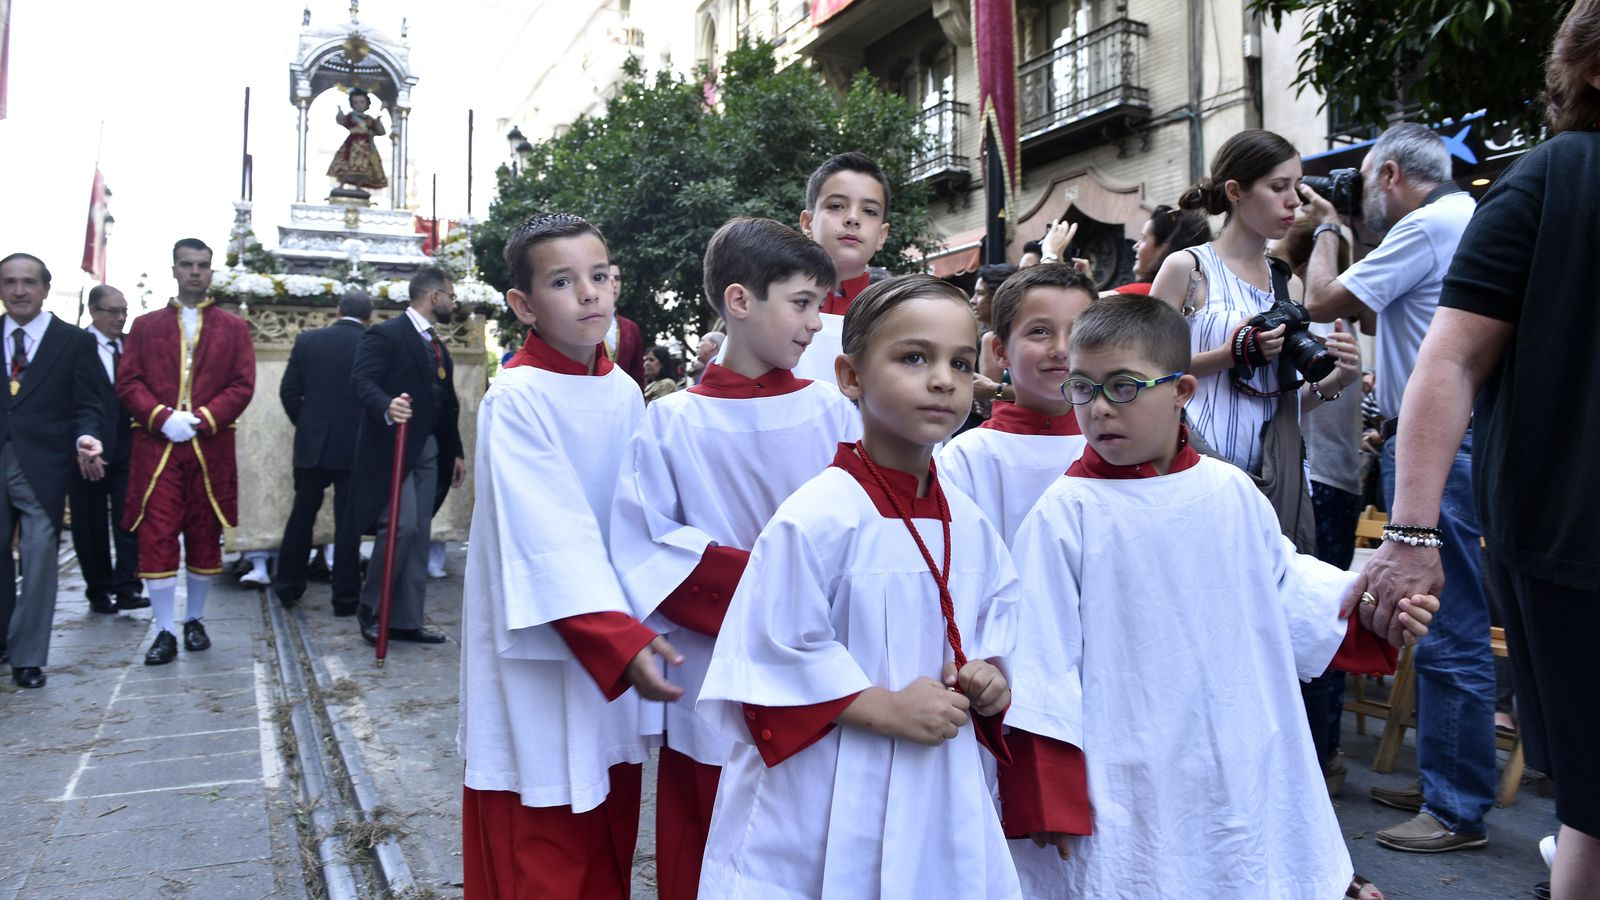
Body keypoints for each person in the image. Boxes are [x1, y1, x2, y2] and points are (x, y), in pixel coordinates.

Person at [1004, 296, 1434, 898]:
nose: (1098, 408)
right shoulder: (1063, 515)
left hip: (1234, 741)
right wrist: (1049, 791)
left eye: (1123, 387)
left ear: (1182, 390)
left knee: (1236, 867)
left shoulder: (1230, 490)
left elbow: (1283, 585)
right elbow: (1040, 657)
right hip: (1126, 764)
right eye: (1082, 388)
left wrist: (1371, 611)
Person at [1355, 3, 1600, 892]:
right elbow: (1448, 357)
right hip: (1574, 539)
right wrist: (1410, 536)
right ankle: (1459, 806)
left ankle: (1458, 806)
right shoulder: (1558, 176)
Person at [697, 274, 1022, 898]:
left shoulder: (971, 521)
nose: (943, 380)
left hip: (936, 781)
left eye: (960, 362)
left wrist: (989, 676)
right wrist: (885, 707)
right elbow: (768, 657)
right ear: (850, 377)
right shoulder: (818, 516)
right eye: (913, 358)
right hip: (822, 788)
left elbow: (1001, 623)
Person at [608, 217, 858, 899]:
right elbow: (648, 547)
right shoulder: (672, 422)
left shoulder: (837, 412)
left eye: (821, 304)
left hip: (820, 662)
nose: (815, 323)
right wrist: (780, 586)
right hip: (717, 677)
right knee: (707, 841)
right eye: (802, 303)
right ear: (741, 302)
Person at [458, 212, 682, 899]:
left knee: (607, 815)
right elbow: (547, 529)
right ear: (523, 305)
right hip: (550, 638)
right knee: (542, 825)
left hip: (615, 646)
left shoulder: (620, 391)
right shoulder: (516, 397)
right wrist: (618, 639)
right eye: (563, 281)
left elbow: (636, 514)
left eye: (600, 276)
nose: (589, 294)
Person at [1299, 122, 1496, 852]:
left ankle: (1454, 808)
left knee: (1445, 620)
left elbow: (1324, 302)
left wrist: (1326, 230)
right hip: (1464, 443)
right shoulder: (1462, 220)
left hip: (1445, 447)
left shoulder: (1428, 224)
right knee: (1443, 617)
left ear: (1387, 176)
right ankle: (1450, 780)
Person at [1148, 129, 1361, 551]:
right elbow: (1143, 370)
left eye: (1296, 188)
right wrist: (1230, 354)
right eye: (1278, 187)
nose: (1294, 202)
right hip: (1194, 461)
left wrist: (1337, 380)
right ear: (1235, 191)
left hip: (1274, 470)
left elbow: (1279, 398)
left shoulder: (1289, 284)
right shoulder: (1188, 268)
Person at [118, 239, 256, 666]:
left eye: (202, 265)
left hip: (209, 447)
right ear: (174, 269)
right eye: (187, 265)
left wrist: (203, 417)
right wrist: (161, 417)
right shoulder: (145, 326)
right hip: (156, 448)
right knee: (156, 535)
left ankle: (194, 619)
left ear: (211, 271)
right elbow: (128, 382)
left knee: (202, 534)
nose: (195, 272)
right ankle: (163, 629)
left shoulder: (234, 328)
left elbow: (242, 384)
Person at [0, 253, 105, 688]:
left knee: (41, 555)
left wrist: (87, 437)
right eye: (10, 282)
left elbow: (89, 402)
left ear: (45, 289)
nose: (19, 290)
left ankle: (28, 657)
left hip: (42, 466)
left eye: (28, 282)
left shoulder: (72, 341)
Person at [349, 266, 464, 647]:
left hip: (429, 449)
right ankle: (371, 607)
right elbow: (362, 381)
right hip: (392, 448)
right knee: (402, 527)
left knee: (420, 535)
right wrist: (387, 405)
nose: (453, 301)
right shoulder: (385, 334)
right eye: (450, 294)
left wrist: (457, 453)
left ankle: (405, 620)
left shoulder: (437, 343)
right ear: (434, 297)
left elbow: (446, 404)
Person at [939, 265, 1096, 545]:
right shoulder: (968, 456)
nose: (1061, 349)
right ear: (1000, 351)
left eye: (1078, 331)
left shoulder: (1113, 445)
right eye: (1039, 331)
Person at [272, 289, 371, 616]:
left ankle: (288, 586)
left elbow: (288, 391)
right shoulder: (372, 343)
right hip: (355, 445)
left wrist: (307, 425)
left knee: (302, 516)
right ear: (368, 316)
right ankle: (345, 598)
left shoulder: (307, 341)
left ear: (337, 309)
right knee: (347, 524)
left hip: (312, 445)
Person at [68, 284, 144, 615]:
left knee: (130, 517)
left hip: (128, 446)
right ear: (93, 312)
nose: (119, 318)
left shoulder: (131, 347)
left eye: (124, 312)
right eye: (112, 311)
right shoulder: (73, 346)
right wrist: (80, 443)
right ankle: (98, 588)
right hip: (87, 451)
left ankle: (127, 585)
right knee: (89, 522)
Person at [791, 151, 892, 385]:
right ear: (807, 223)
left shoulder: (897, 312)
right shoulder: (770, 306)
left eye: (869, 211)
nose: (853, 219)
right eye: (836, 206)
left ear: (882, 234)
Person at [1117, 204, 1212, 295]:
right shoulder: (1204, 296)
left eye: (1143, 239)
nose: (1135, 246)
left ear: (1165, 246)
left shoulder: (1141, 293)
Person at [327, 89, 388, 192]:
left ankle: (359, 187)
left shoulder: (369, 119)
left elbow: (381, 132)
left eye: (362, 102)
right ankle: (341, 185)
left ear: (367, 104)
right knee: (346, 165)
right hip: (351, 146)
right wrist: (340, 114)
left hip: (365, 147)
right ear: (352, 104)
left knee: (363, 168)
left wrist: (378, 123)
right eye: (356, 102)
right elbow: (341, 121)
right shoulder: (351, 117)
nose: (359, 105)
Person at [605, 262, 646, 386]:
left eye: (617, 279)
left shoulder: (631, 328)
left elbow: (638, 375)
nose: (614, 284)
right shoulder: (582, 323)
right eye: (606, 277)